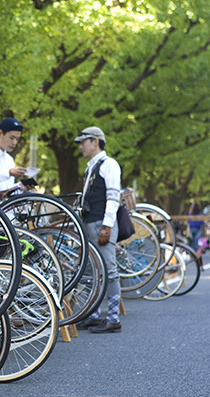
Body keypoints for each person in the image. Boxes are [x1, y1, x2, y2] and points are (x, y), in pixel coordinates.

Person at [73, 126, 122, 333]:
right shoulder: (91, 166)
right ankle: (94, 315)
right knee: (92, 270)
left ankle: (113, 318)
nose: (81, 146)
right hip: (90, 222)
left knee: (109, 270)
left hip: (101, 223)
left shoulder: (109, 164)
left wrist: (107, 227)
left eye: (83, 142)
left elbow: (113, 197)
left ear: (95, 141)